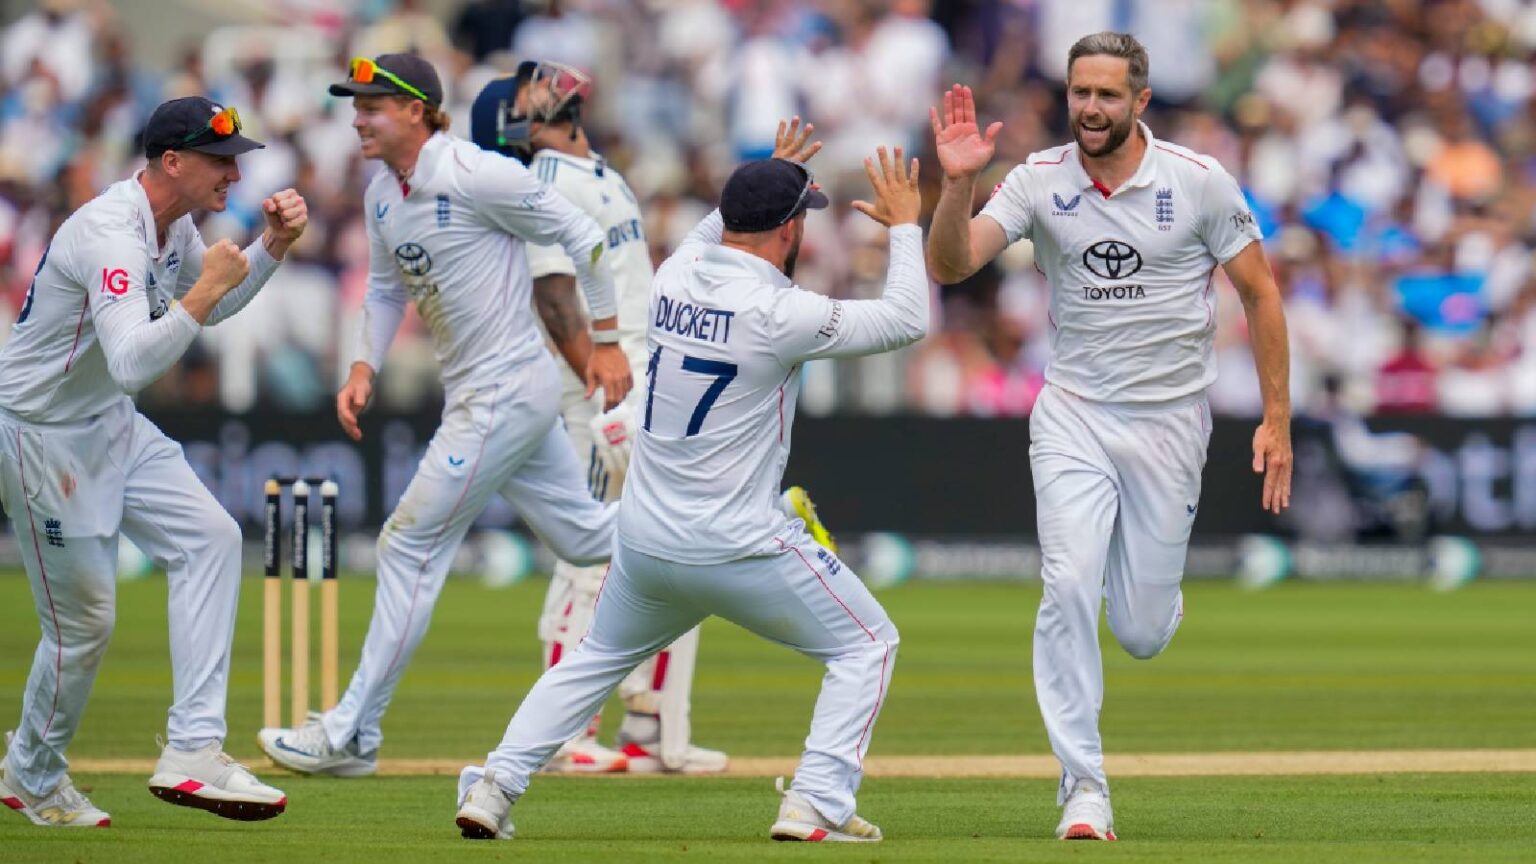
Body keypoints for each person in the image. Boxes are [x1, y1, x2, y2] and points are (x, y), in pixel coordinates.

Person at [453, 137, 927, 843]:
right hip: (738, 545)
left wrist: (767, 171)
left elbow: (721, 228)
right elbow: (908, 320)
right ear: (792, 229)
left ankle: (494, 788)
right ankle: (815, 799)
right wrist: (907, 226)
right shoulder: (782, 313)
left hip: (645, 541)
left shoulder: (673, 277)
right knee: (868, 646)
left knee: (592, 662)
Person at [925, 32, 1292, 841]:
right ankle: (1083, 787)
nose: (1090, 108)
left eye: (1106, 95)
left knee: (1139, 631)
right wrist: (957, 188)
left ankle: (1157, 602)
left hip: (1170, 422)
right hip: (1074, 415)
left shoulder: (1198, 183)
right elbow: (953, 265)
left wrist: (1276, 420)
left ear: (1140, 101)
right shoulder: (1037, 179)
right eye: (1079, 92)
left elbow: (1262, 297)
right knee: (1065, 585)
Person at [257, 53, 629, 777]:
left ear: (418, 110)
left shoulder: (477, 173)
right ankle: (718, 523)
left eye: (371, 105)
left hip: (502, 393)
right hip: (488, 395)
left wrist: (608, 344)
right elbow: (388, 288)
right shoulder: (382, 194)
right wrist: (364, 364)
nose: (357, 118)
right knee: (590, 539)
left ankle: (350, 735)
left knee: (406, 548)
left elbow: (582, 238)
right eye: (354, 105)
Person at [470, 63, 841, 775]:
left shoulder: (599, 170)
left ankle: (651, 727)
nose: (544, 84)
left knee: (682, 548)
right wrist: (596, 365)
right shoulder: (546, 178)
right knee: (598, 556)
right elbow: (553, 295)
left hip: (646, 378)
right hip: (603, 388)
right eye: (525, 92)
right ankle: (567, 734)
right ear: (513, 124)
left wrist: (776, 177)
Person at [0, 96, 306, 825]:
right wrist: (201, 292)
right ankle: (31, 775)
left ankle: (195, 750)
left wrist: (270, 249)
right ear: (172, 161)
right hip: (42, 436)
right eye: (219, 160)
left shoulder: (174, 224)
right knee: (84, 626)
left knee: (211, 537)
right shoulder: (110, 232)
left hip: (108, 420)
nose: (235, 173)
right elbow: (137, 359)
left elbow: (217, 304)